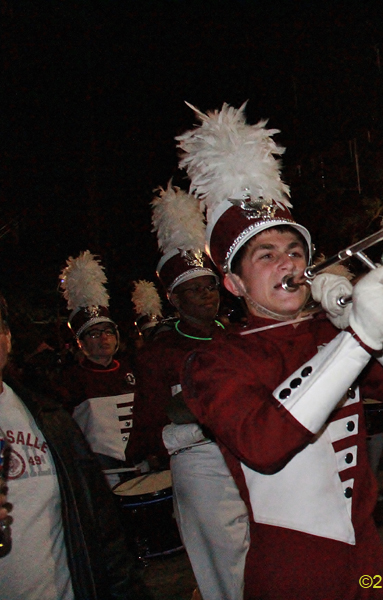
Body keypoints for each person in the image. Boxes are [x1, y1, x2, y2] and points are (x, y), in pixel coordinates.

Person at [177, 102, 383, 599]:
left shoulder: (333, 332)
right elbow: (264, 444)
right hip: (292, 570)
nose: (288, 263)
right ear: (234, 283)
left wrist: (361, 324)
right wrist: (360, 337)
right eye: (266, 255)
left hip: (367, 556)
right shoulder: (213, 361)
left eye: (295, 251)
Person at [126, 182, 250, 600]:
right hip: (201, 470)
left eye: (210, 286)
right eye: (193, 290)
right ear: (174, 299)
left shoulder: (235, 336)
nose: (206, 296)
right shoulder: (159, 353)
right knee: (226, 566)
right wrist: (193, 429)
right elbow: (149, 423)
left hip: (250, 457)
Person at [0, 292, 152, 600]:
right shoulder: (67, 383)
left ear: (6, 337)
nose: (102, 340)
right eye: (92, 334)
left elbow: (98, 529)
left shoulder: (47, 416)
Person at [58, 251, 139, 486]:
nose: (103, 338)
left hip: (140, 467)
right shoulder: (72, 379)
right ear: (80, 342)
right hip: (102, 476)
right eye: (94, 333)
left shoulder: (132, 370)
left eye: (107, 331)